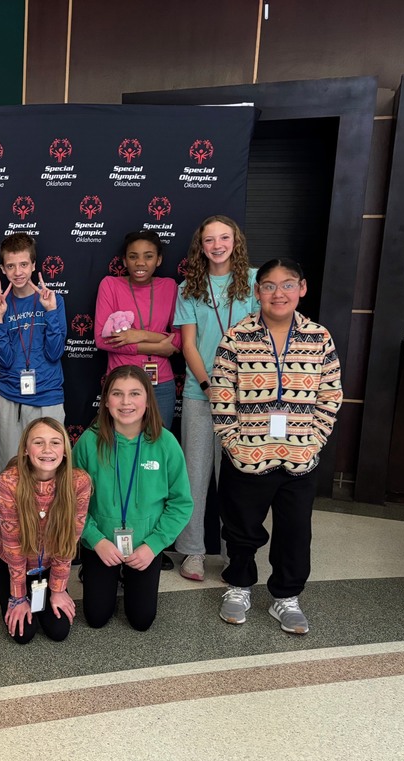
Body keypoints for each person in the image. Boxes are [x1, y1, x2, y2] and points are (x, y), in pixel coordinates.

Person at [212, 258, 342, 635]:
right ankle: (238, 588)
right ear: (257, 292)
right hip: (247, 458)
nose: (278, 293)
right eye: (268, 285)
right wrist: (236, 446)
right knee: (241, 529)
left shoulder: (320, 337)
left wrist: (312, 442)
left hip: (300, 460)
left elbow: (330, 394)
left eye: (287, 285)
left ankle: (286, 597)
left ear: (302, 288)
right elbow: (221, 396)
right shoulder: (237, 337)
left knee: (296, 531)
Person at [171, 215, 258, 582]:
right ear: (200, 246)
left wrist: (244, 387)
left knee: (237, 478)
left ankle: (234, 551)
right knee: (194, 475)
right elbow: (188, 344)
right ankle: (192, 552)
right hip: (199, 393)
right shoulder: (189, 286)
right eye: (210, 240)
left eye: (224, 238)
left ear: (235, 241)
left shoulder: (255, 281)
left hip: (247, 398)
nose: (217, 245)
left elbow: (261, 337)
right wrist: (209, 387)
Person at [73, 366, 193, 632]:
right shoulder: (88, 443)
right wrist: (95, 540)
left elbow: (181, 503)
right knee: (96, 617)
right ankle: (98, 574)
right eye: (117, 394)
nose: (126, 402)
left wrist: (154, 545)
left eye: (135, 394)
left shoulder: (166, 443)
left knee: (141, 620)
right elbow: (71, 501)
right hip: (101, 544)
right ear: (106, 401)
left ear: (148, 400)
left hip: (144, 547)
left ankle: (129, 576)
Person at [0, 418, 91, 644]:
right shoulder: (9, 481)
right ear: (26, 449)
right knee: (23, 634)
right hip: (13, 559)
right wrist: (17, 596)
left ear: (65, 450)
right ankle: (2, 583)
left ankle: (46, 590)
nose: (47, 450)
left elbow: (68, 542)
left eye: (55, 443)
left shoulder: (79, 482)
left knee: (58, 631)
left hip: (50, 561)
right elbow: (13, 544)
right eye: (38, 442)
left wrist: (58, 589)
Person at [0, 233, 67, 470]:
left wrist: (51, 311)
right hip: (11, 398)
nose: (18, 272)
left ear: (34, 265)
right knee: (11, 469)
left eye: (24, 264)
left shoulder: (53, 300)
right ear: (3, 269)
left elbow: (55, 353)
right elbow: (3, 360)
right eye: (11, 266)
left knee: (48, 469)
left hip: (48, 396)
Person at [94, 230, 180, 429]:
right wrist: (157, 347)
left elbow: (179, 340)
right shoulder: (110, 285)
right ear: (124, 261)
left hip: (162, 385)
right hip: (122, 382)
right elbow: (102, 339)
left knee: (157, 447)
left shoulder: (170, 287)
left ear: (158, 260)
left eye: (148, 256)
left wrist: (138, 335)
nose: (140, 263)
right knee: (119, 446)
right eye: (133, 257)